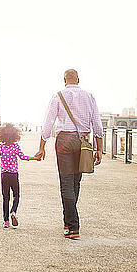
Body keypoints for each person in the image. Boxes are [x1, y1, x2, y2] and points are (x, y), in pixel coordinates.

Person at [35, 69, 104, 239]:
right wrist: (99, 149)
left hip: (64, 140)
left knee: (66, 183)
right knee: (75, 182)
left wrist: (42, 146)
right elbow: (97, 124)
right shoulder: (89, 96)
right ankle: (69, 222)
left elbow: (48, 122)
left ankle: (72, 225)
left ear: (64, 80)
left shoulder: (58, 95)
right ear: (78, 79)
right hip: (83, 141)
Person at [0, 123, 40, 228]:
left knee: (6, 198)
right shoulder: (15, 146)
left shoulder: (0, 147)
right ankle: (13, 212)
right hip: (14, 175)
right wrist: (35, 158)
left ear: (1, 135)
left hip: (4, 175)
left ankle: (6, 221)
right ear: (15, 135)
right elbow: (23, 157)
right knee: (16, 195)